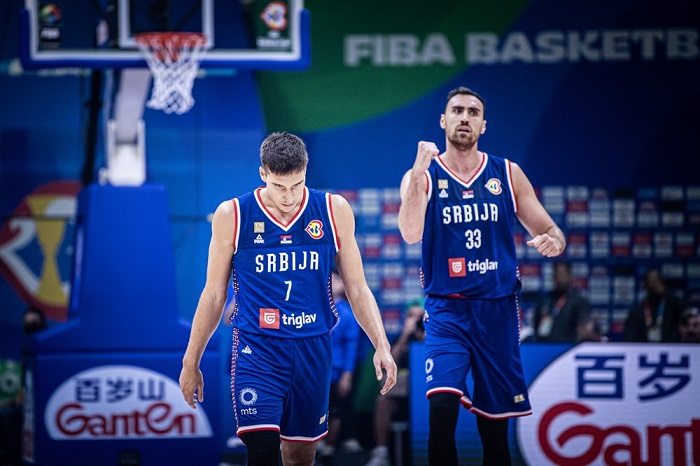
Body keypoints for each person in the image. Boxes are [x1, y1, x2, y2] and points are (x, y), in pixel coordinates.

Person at [179, 132, 397, 466]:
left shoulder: (333, 209)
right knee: (262, 451)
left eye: (297, 185)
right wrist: (190, 361)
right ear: (263, 173)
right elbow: (213, 295)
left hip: (312, 347)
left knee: (299, 457)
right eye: (280, 186)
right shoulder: (233, 215)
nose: (289, 196)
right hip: (258, 348)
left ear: (306, 172)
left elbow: (357, 288)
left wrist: (381, 344)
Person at [397, 86, 566, 466]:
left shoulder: (507, 173)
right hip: (447, 311)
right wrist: (419, 170)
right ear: (443, 120)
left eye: (473, 112)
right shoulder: (422, 175)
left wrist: (554, 241)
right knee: (441, 410)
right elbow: (410, 232)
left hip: (498, 311)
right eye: (457, 110)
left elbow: (551, 230)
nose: (464, 117)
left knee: (495, 431)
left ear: (483, 125)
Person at [365, 299, 425, 466]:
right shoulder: (400, 338)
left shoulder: (433, 337)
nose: (415, 320)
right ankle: (381, 453)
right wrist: (406, 336)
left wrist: (423, 337)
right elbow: (391, 363)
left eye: (419, 316)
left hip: (427, 396)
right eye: (411, 316)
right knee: (383, 401)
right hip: (404, 398)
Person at [316, 270, 362, 466]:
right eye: (329, 278)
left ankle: (328, 450)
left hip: (336, 374)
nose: (331, 282)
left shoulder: (348, 314)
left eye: (336, 279)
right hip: (313, 373)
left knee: (334, 412)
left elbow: (352, 346)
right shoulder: (314, 308)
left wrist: (347, 375)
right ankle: (312, 445)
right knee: (312, 410)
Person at [0, 307, 47, 466]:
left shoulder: (46, 347)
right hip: (27, 401)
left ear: (42, 323)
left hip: (41, 402)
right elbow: (26, 380)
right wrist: (18, 397)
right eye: (26, 322)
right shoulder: (26, 348)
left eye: (33, 321)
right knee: (5, 411)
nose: (30, 324)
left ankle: (13, 461)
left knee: (7, 415)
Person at [532, 261, 591, 343]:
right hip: (544, 345)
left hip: (568, 347)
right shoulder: (546, 299)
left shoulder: (578, 301)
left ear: (570, 276)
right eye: (557, 274)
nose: (560, 278)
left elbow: (583, 328)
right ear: (553, 277)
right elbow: (536, 323)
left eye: (563, 274)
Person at [623, 268, 686, 343]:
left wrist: (665, 293)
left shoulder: (673, 306)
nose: (655, 284)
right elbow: (629, 338)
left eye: (657, 280)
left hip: (670, 349)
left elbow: (687, 309)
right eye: (652, 281)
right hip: (645, 350)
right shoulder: (637, 312)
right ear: (645, 284)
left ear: (662, 282)